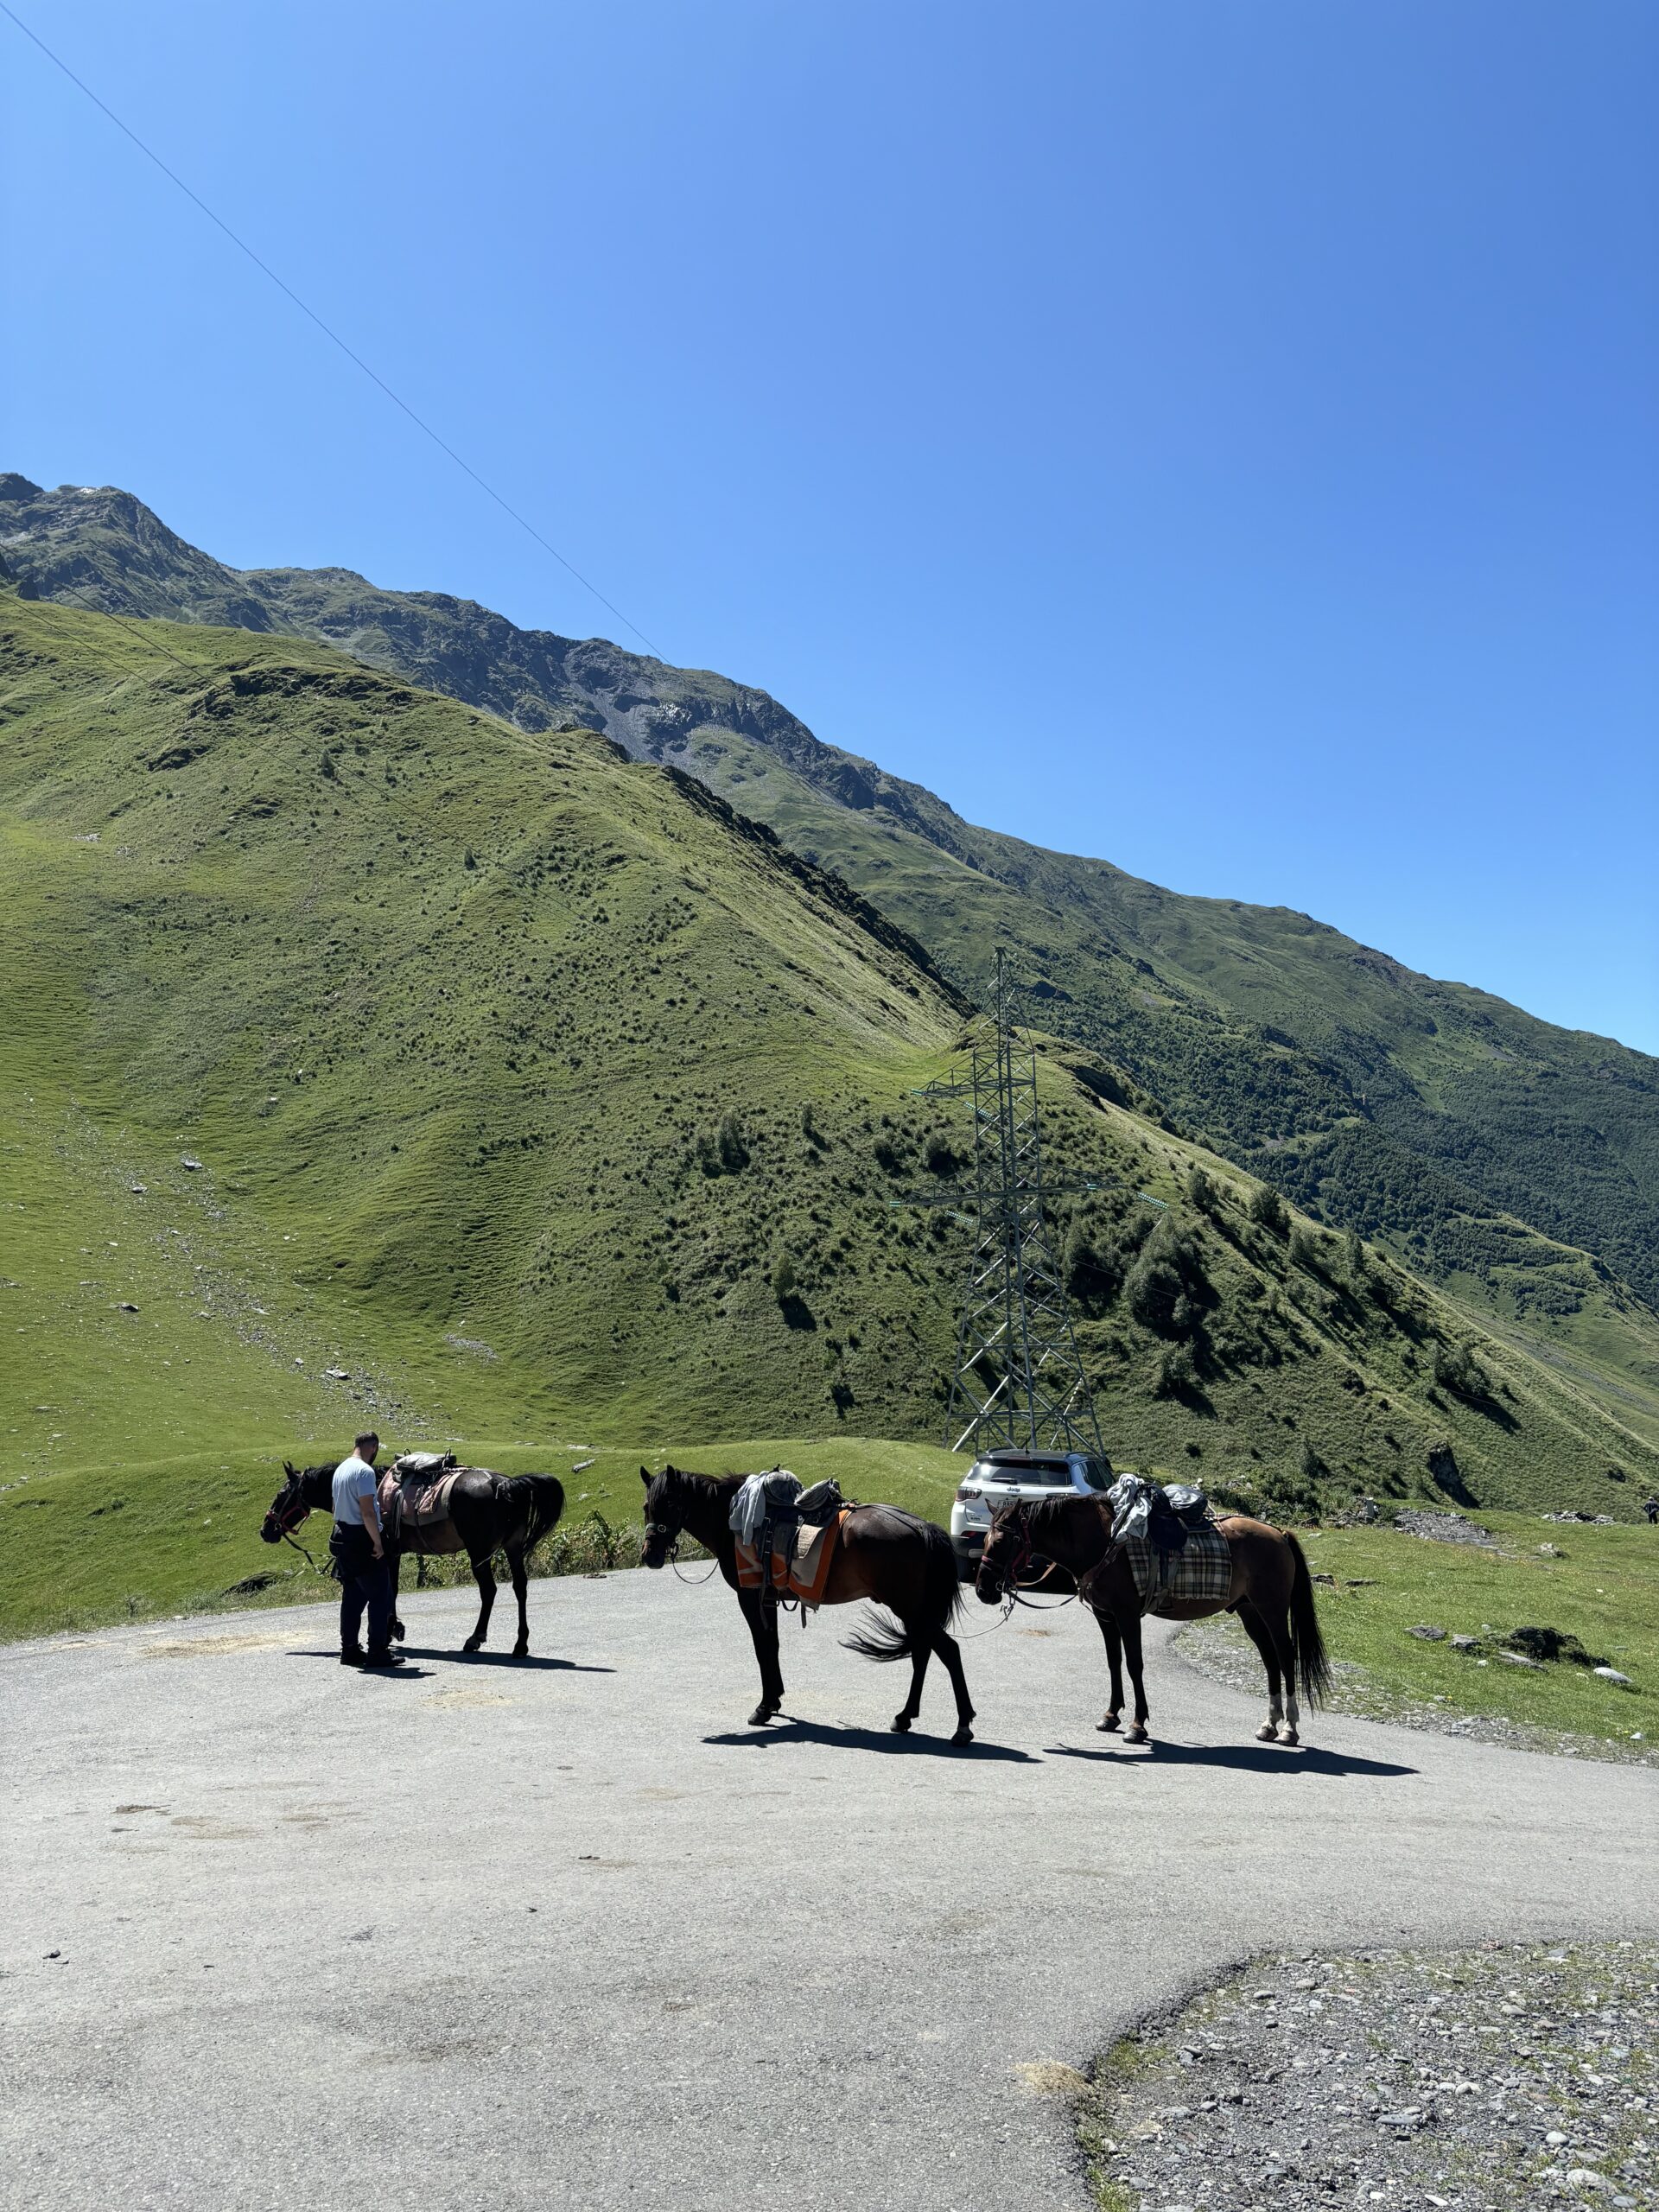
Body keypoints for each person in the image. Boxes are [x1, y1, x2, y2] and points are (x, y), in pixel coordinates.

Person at [331, 1431, 404, 1669]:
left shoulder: (341, 1469)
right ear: (373, 1447)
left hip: (343, 1536)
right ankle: (377, 1651)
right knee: (381, 1596)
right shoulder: (364, 1471)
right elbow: (367, 1512)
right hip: (362, 1538)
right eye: (376, 1450)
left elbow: (337, 1506)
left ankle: (349, 1650)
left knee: (352, 1597)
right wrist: (378, 1542)